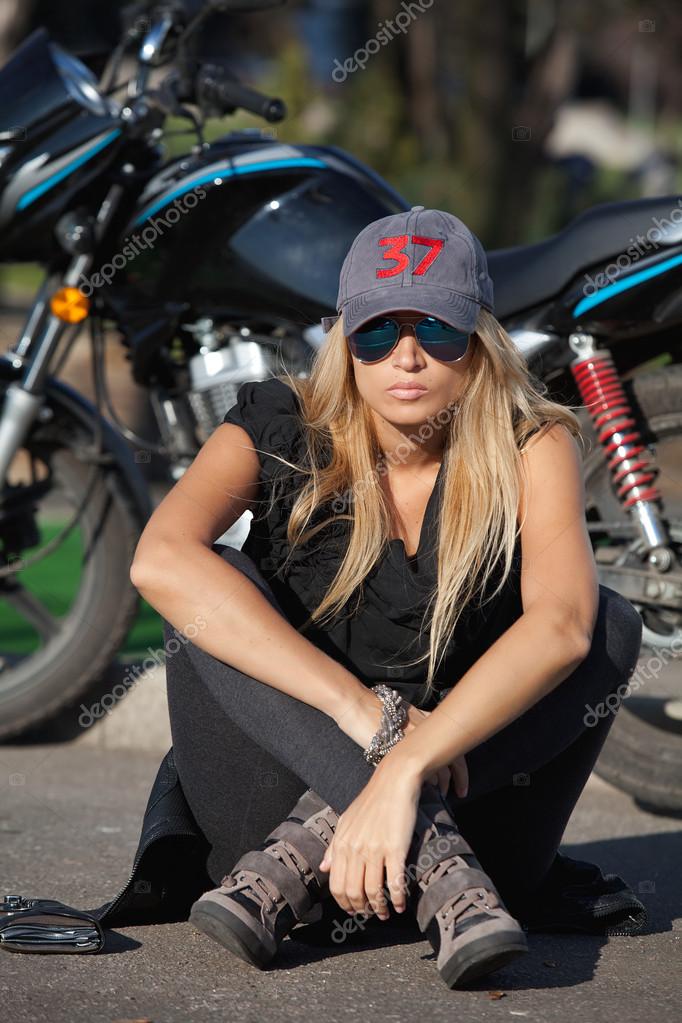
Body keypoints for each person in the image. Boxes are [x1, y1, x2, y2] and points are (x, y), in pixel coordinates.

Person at [129, 206, 646, 989]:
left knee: (610, 623)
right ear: (345, 340)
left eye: (435, 329)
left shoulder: (531, 442)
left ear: (477, 338)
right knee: (214, 582)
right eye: (377, 330)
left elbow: (565, 624)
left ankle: (348, 840)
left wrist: (407, 767)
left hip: (475, 819)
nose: (406, 356)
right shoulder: (281, 422)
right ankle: (420, 851)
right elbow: (158, 560)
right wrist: (362, 715)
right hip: (275, 824)